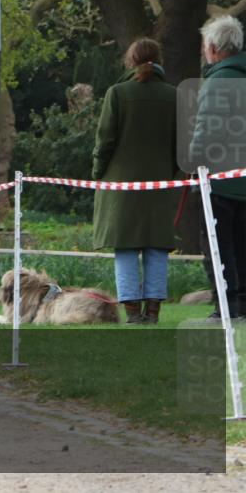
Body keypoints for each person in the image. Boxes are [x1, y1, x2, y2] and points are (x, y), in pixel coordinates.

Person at [91, 38, 179, 324]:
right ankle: (152, 313)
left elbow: (105, 140)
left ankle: (132, 314)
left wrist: (97, 172)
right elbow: (183, 146)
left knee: (125, 247)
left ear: (130, 61)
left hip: (122, 186)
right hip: (161, 185)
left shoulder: (117, 93)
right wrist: (173, 176)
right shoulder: (175, 95)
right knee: (157, 247)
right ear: (158, 60)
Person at [190, 15, 246, 319]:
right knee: (241, 246)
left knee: (217, 247)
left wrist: (192, 161)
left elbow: (208, 131)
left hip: (221, 181)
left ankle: (225, 306)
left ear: (212, 47)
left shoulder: (218, 81)